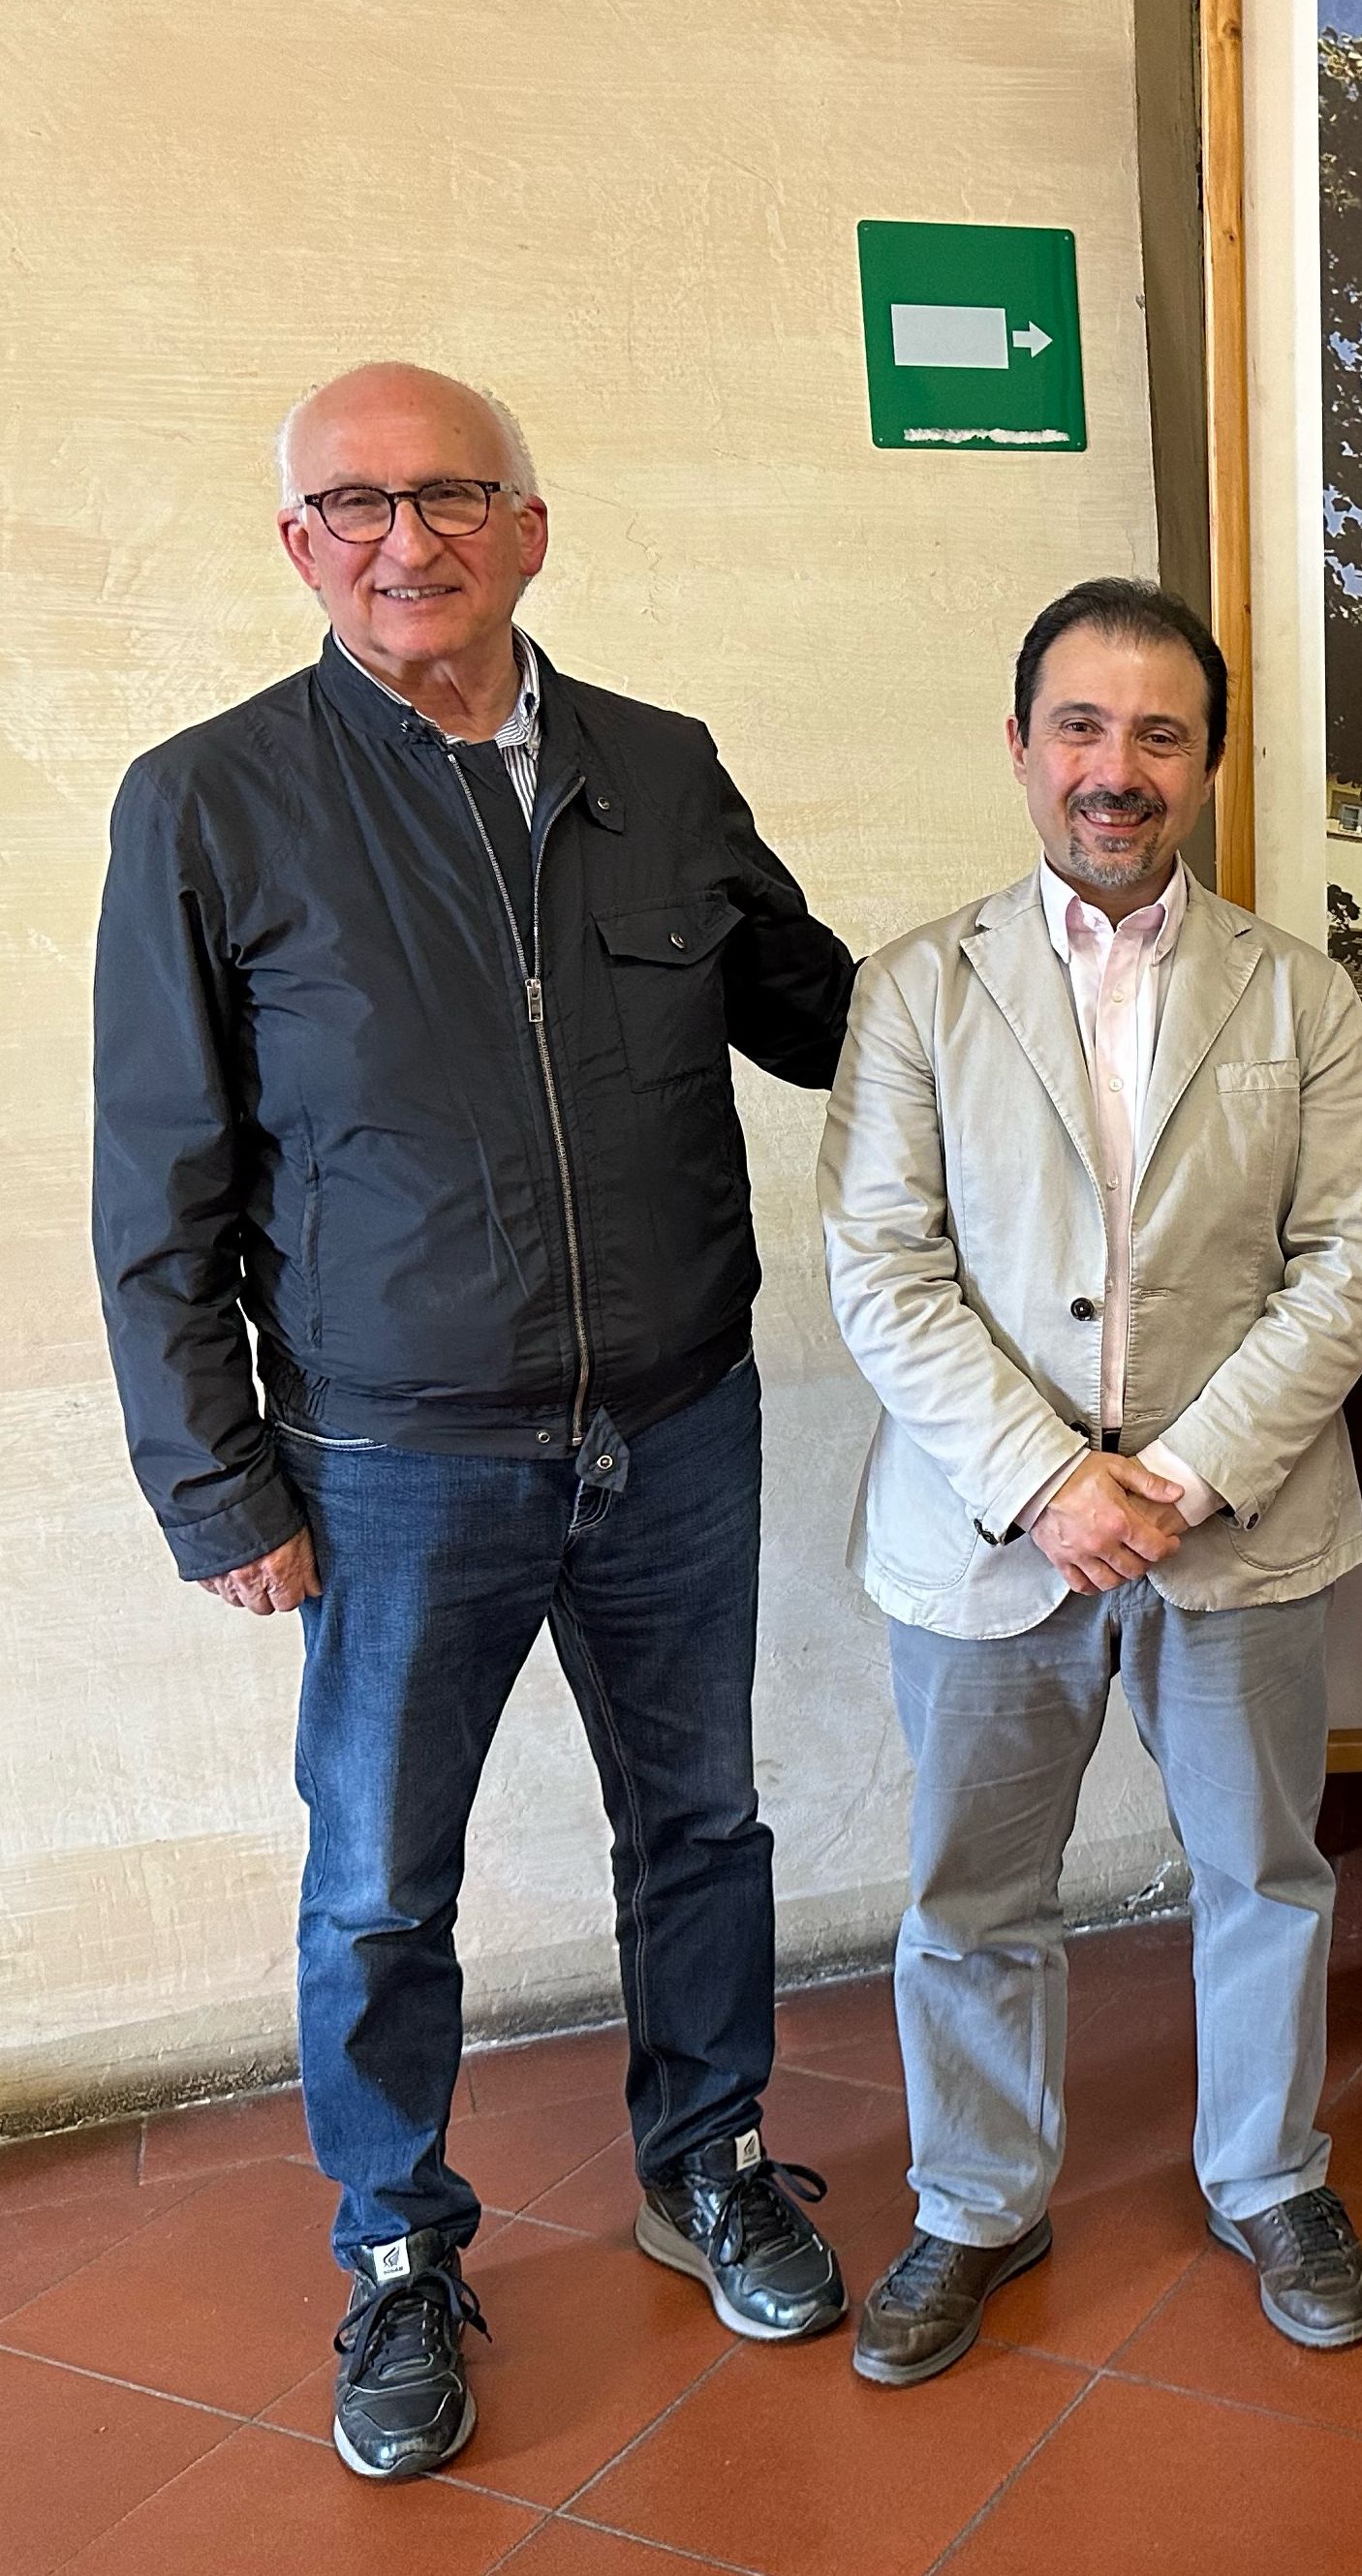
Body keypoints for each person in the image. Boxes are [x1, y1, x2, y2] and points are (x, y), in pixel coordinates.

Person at [90, 363, 858, 2483]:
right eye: (353, 504)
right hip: (392, 1460)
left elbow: (826, 1023)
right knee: (377, 1886)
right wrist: (215, 1478)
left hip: (676, 1423)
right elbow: (156, 1179)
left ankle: (709, 2159)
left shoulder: (660, 767)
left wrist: (1067, 974)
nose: (403, 539)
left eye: (447, 494)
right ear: (298, 544)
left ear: (530, 526)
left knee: (701, 1824)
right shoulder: (209, 800)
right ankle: (400, 2250)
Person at [820, 578, 1362, 2384]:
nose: (1116, 766)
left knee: (1263, 1872)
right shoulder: (914, 989)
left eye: (1160, 733)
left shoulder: (1302, 996)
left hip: (1236, 1529)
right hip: (987, 1536)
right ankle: (977, 2199)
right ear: (1019, 746)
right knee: (974, 1894)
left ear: (1207, 762)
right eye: (1080, 725)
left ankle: (1269, 2173)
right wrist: (1050, 1482)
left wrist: (1187, 1475)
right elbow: (880, 1266)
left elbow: (1349, 1260)